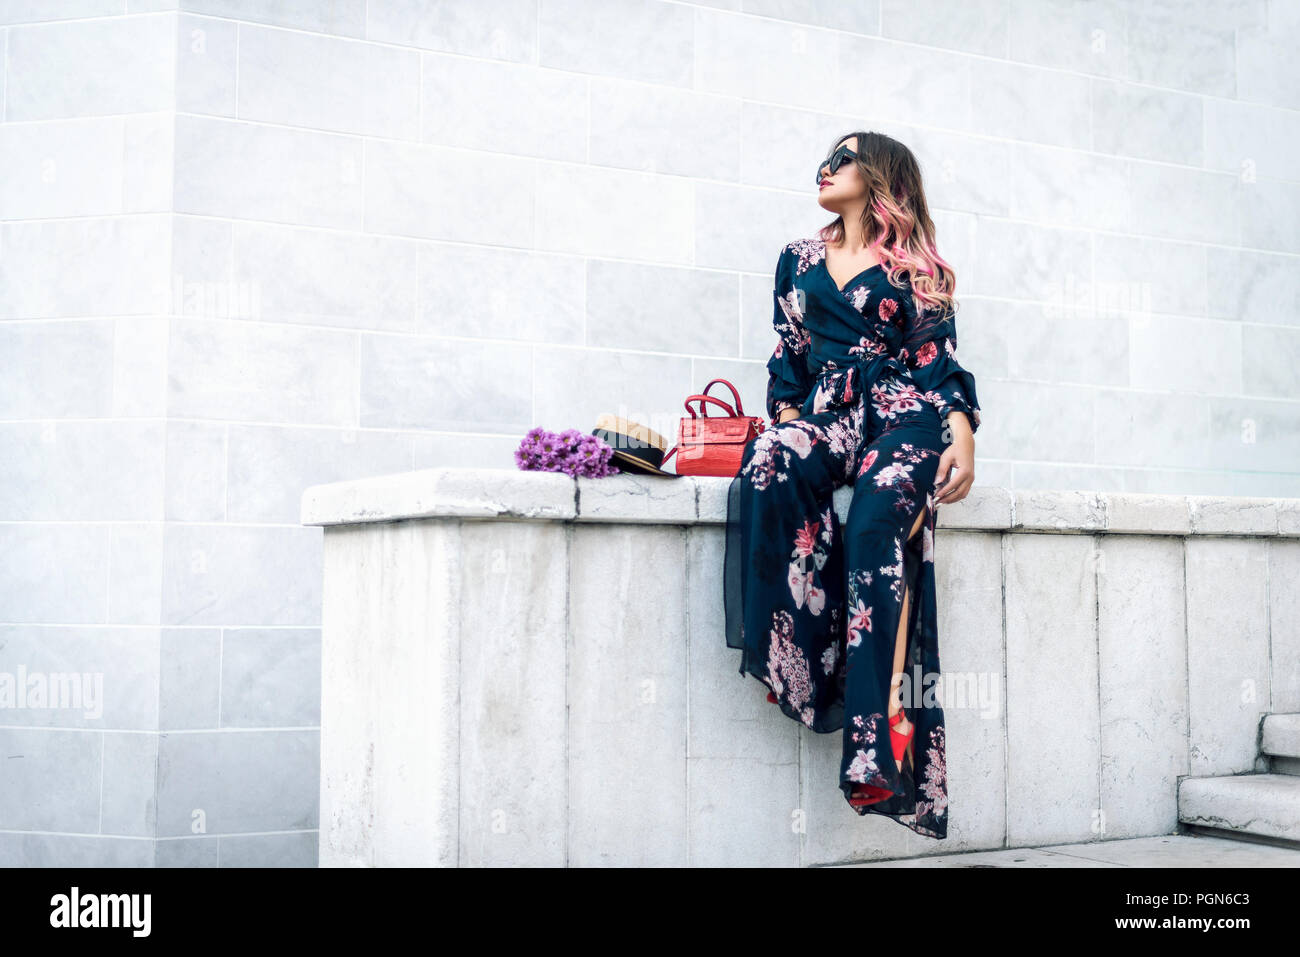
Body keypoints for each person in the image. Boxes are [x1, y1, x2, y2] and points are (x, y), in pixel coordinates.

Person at [722, 131, 982, 839]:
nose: (824, 167)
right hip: (827, 410)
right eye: (823, 157)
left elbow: (938, 359)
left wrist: (960, 431)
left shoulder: (915, 264)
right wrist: (785, 417)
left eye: (842, 157)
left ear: (877, 175)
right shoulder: (798, 259)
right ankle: (798, 661)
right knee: (771, 463)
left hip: (904, 415)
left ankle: (877, 736)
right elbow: (788, 351)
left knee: (874, 528)